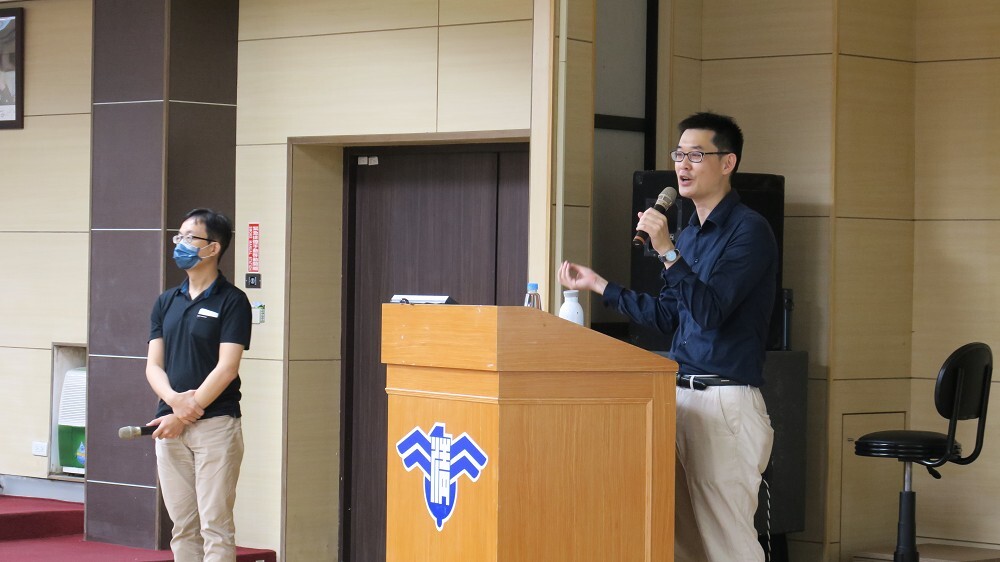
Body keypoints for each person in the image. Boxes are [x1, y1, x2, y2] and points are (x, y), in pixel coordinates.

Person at [559, 112, 777, 561]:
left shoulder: (749, 230)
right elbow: (667, 316)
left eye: (696, 155)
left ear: (728, 162)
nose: (683, 165)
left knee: (728, 543)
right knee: (680, 542)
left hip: (724, 401)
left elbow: (710, 313)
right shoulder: (691, 235)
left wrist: (667, 251)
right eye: (679, 154)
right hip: (677, 397)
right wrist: (600, 285)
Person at [145, 208, 252, 562]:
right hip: (168, 427)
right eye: (178, 236)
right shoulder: (166, 301)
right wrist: (173, 402)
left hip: (216, 425)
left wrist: (184, 414)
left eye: (189, 237)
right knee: (183, 527)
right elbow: (153, 366)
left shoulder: (232, 301)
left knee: (215, 527)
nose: (179, 243)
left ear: (213, 248)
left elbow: (227, 368)